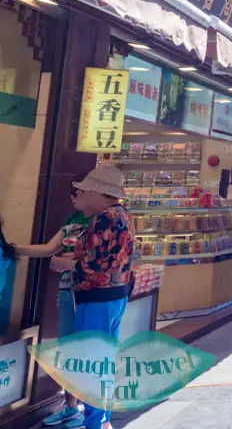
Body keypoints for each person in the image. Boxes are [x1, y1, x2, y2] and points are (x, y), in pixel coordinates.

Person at [68, 164, 135, 429]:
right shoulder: (124, 215)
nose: (79, 196)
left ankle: (95, 423)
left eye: (82, 190)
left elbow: (95, 264)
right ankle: (101, 419)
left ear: (97, 192)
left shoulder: (105, 218)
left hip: (97, 297)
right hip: (116, 295)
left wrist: (67, 263)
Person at [13, 208, 90, 426]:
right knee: (69, 348)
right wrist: (14, 249)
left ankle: (90, 410)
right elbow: (49, 248)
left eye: (79, 191)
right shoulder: (73, 218)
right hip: (67, 290)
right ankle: (71, 406)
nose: (74, 197)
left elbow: (100, 261)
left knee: (88, 349)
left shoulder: (104, 219)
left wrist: (71, 261)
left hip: (91, 293)